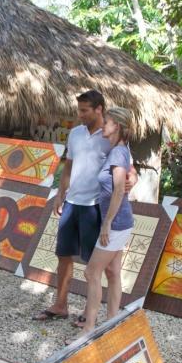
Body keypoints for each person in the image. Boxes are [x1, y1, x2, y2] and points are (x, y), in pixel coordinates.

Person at [32, 90, 136, 323]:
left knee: (93, 265)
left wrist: (132, 180)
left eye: (84, 111)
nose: (79, 115)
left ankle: (90, 317)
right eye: (79, 109)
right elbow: (68, 166)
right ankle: (60, 305)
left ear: (99, 109)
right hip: (72, 202)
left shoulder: (111, 134)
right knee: (63, 255)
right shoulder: (76, 133)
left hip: (94, 207)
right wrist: (60, 193)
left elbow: (128, 168)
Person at [79, 107, 135, 335]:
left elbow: (119, 189)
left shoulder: (117, 153)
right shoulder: (118, 151)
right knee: (112, 273)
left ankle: (89, 328)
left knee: (91, 273)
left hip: (117, 222)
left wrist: (107, 222)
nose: (103, 125)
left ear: (117, 127)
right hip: (119, 221)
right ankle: (112, 323)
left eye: (107, 122)